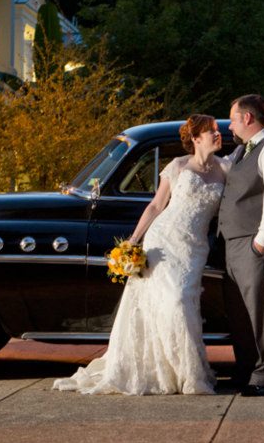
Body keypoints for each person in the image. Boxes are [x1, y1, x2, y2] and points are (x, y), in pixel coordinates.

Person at [52, 115, 229, 395]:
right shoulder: (178, 166)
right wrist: (134, 240)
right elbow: (157, 206)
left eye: (217, 132)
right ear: (196, 139)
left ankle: (187, 373)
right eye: (212, 132)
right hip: (163, 240)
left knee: (183, 301)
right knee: (170, 302)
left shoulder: (224, 168)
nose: (218, 135)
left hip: (194, 247)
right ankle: (176, 372)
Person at [218, 94, 264, 397]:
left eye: (233, 118)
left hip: (254, 243)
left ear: (247, 118)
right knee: (240, 313)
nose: (230, 125)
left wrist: (261, 243)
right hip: (232, 242)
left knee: (262, 312)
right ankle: (246, 369)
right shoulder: (240, 151)